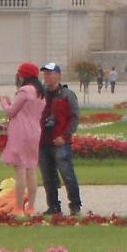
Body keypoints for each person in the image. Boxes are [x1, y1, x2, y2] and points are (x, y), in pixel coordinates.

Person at [0, 63, 46, 214]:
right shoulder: (40, 92)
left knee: (20, 170)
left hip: (21, 131)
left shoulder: (25, 90)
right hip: (35, 131)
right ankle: (30, 207)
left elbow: (11, 112)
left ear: (22, 75)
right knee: (31, 169)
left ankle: (19, 208)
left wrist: (3, 102)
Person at [38, 62, 82, 216]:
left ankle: (75, 205)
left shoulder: (67, 95)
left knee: (67, 174)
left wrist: (65, 136)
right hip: (43, 140)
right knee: (47, 176)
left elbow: (75, 118)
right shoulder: (41, 94)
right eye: (45, 74)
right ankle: (53, 206)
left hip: (60, 141)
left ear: (58, 75)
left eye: (50, 73)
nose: (47, 76)